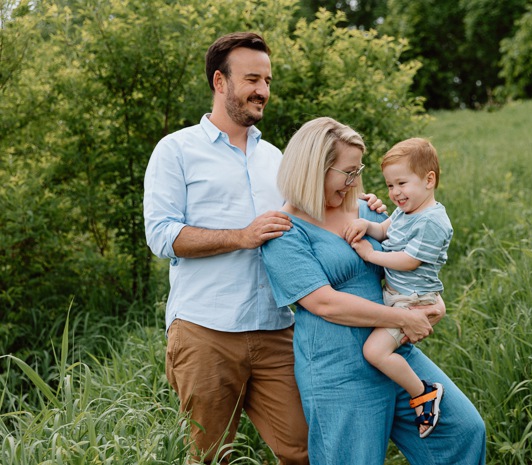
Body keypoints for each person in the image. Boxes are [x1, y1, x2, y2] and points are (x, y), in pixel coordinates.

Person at [144, 32, 384, 464]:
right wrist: (243, 235)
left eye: (268, 80)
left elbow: (319, 213)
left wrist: (360, 204)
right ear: (220, 82)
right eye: (252, 78)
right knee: (210, 456)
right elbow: (162, 235)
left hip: (277, 329)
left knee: (305, 449)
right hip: (205, 331)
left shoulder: (277, 158)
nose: (263, 91)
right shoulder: (176, 150)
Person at [261, 117, 486, 464]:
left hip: (393, 352)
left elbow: (413, 261)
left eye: (357, 171)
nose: (354, 181)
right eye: (347, 172)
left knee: (462, 432)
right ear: (314, 168)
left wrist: (430, 302)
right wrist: (403, 318)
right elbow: (324, 303)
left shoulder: (368, 210)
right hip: (337, 368)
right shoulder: (285, 232)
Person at [343, 137, 452, 439]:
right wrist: (367, 227)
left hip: (412, 302)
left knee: (375, 351)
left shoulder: (432, 221)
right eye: (390, 186)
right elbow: (383, 231)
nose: (395, 193)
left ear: (429, 180)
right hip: (398, 297)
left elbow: (409, 261)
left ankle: (423, 393)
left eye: (402, 183)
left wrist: (371, 254)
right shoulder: (406, 212)